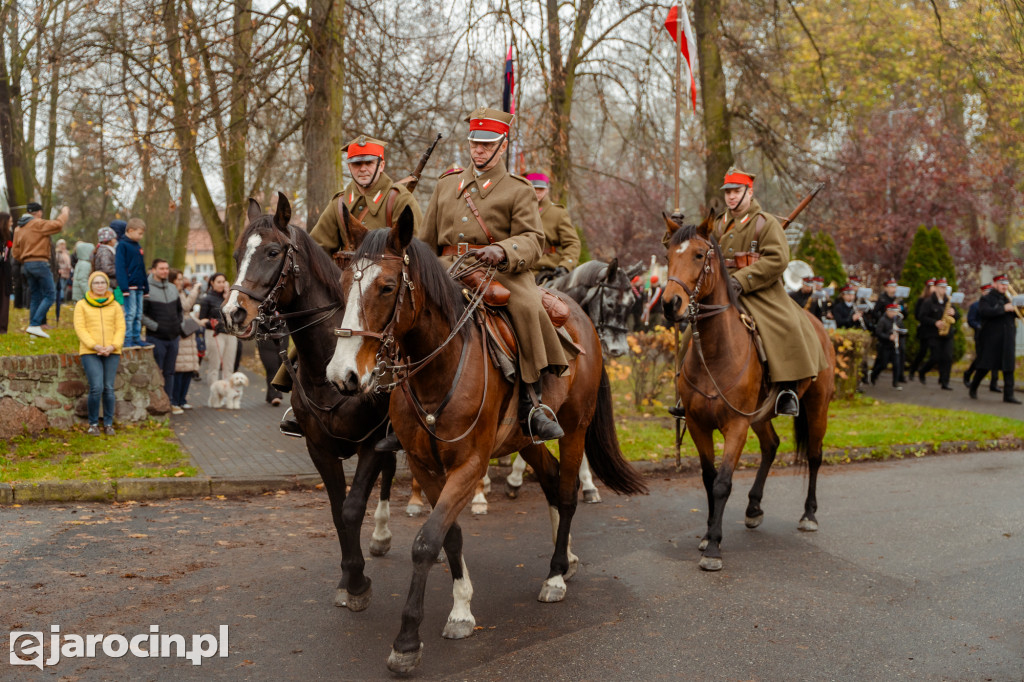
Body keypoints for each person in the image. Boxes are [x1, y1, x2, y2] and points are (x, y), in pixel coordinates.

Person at [415, 106, 574, 439]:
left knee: (528, 306)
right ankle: (395, 408)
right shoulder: (447, 185)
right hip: (446, 269)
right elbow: (426, 240)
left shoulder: (518, 189)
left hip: (499, 273)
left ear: (503, 145)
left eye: (487, 144)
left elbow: (534, 239)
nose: (479, 149)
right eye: (475, 143)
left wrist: (503, 250)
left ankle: (532, 403)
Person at [274, 135, 424, 438]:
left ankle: (404, 411)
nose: (362, 169)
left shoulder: (399, 199)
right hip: (347, 285)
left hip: (385, 289)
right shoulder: (341, 203)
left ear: (381, 164)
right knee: (313, 325)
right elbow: (316, 247)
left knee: (398, 339)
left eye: (368, 163)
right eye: (356, 164)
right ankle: (301, 399)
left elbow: (417, 250)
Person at [694, 167, 828, 416]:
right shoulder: (719, 223)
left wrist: (742, 280)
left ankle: (788, 388)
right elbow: (698, 248)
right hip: (722, 291)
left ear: (749, 192)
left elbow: (778, 260)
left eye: (736, 191)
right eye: (728, 192)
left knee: (785, 324)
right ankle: (689, 391)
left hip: (758, 290)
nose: (731, 197)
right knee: (694, 327)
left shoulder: (764, 223)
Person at [73, 271, 126, 435]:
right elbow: (80, 328)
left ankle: (108, 423)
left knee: (109, 388)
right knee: (96, 387)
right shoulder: (82, 304)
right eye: (96, 283)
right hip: (90, 351)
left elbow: (120, 327)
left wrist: (113, 346)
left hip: (112, 351)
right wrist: (95, 346)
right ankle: (93, 424)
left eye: (103, 282)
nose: (100, 285)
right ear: (91, 285)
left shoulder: (115, 305)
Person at [11, 201, 69, 338]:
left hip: (26, 265)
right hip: (40, 263)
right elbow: (58, 225)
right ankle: (36, 323)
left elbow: (15, 252)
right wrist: (65, 212)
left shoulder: (19, 228)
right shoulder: (37, 223)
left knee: (36, 296)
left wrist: (26, 258)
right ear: (38, 212)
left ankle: (33, 328)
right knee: (50, 294)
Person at [969, 274, 1020, 404]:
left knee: (1009, 367)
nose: (1004, 286)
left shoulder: (1009, 298)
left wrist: (1018, 308)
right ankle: (973, 387)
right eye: (1002, 284)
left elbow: (1017, 314)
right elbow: (985, 312)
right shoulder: (986, 299)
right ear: (995, 284)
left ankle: (1009, 395)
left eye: (1006, 284)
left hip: (1007, 338)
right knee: (985, 366)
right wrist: (1003, 308)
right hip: (992, 338)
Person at [524, 171, 581, 282]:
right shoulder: (518, 209)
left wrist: (565, 265)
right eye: (533, 188)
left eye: (541, 189)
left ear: (547, 190)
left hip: (547, 269)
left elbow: (572, 243)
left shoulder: (558, 213)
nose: (537, 192)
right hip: (521, 265)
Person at [142, 258, 183, 399]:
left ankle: (168, 402)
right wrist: (156, 327)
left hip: (173, 338)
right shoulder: (146, 289)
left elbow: (179, 310)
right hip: (156, 338)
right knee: (156, 371)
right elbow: (141, 314)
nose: (165, 271)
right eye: (161, 268)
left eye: (166, 268)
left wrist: (178, 325)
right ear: (153, 270)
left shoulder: (172, 288)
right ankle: (156, 402)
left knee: (170, 372)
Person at [916, 277, 959, 389]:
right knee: (935, 357)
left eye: (945, 287)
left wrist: (954, 313)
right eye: (941, 287)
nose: (943, 290)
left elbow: (957, 317)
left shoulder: (948, 301)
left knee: (948, 357)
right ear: (935, 288)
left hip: (947, 333)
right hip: (933, 333)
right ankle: (922, 371)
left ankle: (945, 382)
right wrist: (935, 322)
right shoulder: (928, 302)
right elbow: (921, 317)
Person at [115, 218, 150, 348]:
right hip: (129, 286)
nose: (141, 236)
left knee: (139, 313)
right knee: (130, 313)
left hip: (139, 285)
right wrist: (124, 287)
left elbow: (142, 267)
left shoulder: (138, 246)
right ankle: (127, 338)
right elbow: (120, 267)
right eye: (139, 233)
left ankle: (137, 337)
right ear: (130, 230)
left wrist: (146, 287)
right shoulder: (122, 246)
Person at [170, 268, 201, 412]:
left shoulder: (182, 292)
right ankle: (175, 400)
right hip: (180, 333)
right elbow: (185, 307)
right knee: (180, 368)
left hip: (188, 332)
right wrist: (195, 290)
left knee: (189, 368)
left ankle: (182, 399)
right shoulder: (173, 292)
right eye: (178, 279)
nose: (181, 282)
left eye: (182, 279)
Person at [199, 272, 238, 382]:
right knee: (214, 366)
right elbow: (202, 320)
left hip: (230, 334)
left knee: (229, 366)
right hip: (215, 334)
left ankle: (228, 394)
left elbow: (238, 315)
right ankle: (214, 392)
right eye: (218, 282)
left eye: (223, 282)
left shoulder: (231, 299)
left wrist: (229, 297)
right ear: (212, 283)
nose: (221, 284)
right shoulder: (207, 299)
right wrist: (214, 323)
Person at [963, 284, 999, 391]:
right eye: (987, 291)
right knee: (981, 358)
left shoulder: (995, 304)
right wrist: (979, 327)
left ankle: (994, 384)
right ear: (983, 292)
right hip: (981, 336)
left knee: (995, 358)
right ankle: (968, 374)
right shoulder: (975, 306)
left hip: (994, 335)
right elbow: (971, 320)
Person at [870, 303, 904, 388]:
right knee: (883, 364)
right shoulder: (883, 320)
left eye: (895, 312)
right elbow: (878, 333)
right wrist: (888, 337)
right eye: (892, 311)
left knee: (896, 364)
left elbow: (901, 329)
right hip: (885, 346)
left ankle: (895, 383)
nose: (894, 314)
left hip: (894, 346)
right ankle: (873, 375)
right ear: (887, 311)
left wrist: (901, 332)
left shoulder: (898, 320)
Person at [908, 278, 935, 375]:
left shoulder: (936, 300)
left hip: (934, 330)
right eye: (933, 287)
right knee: (922, 352)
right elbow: (918, 315)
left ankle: (922, 371)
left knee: (935, 353)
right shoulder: (922, 300)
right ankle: (913, 370)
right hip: (925, 330)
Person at [91, 226, 119, 293]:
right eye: (114, 238)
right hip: (106, 283)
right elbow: (107, 268)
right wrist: (120, 271)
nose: (116, 240)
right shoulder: (105, 252)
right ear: (109, 240)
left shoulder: (105, 250)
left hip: (108, 282)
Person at [0, 212, 11, 333]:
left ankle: (2, 327)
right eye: (10, 221)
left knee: (4, 297)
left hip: (5, 270)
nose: (11, 223)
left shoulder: (9, 235)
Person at [55, 238, 72, 314]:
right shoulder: (57, 253)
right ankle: (60, 300)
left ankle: (63, 299)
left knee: (64, 287)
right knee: (61, 287)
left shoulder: (67, 253)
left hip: (67, 272)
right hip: (60, 271)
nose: (63, 246)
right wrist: (58, 269)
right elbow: (56, 263)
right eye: (61, 245)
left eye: (64, 244)